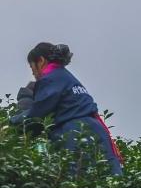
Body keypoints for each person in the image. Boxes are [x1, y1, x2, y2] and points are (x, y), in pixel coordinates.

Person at [9, 43, 123, 176]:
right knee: (109, 183)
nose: (32, 72)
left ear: (40, 61)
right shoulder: (66, 77)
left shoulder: (50, 79)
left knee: (78, 185)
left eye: (32, 67)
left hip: (76, 135)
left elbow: (36, 115)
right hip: (98, 134)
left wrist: (10, 124)